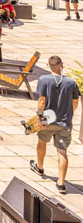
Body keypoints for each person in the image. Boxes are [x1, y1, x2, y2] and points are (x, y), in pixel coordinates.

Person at [30, 56, 80, 194]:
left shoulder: (44, 80)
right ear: (62, 66)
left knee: (42, 142)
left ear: (48, 65)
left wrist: (40, 117)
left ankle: (39, 168)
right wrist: (69, 114)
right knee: (62, 152)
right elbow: (75, 102)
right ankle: (61, 183)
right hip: (64, 122)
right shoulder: (71, 83)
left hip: (48, 120)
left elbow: (42, 100)